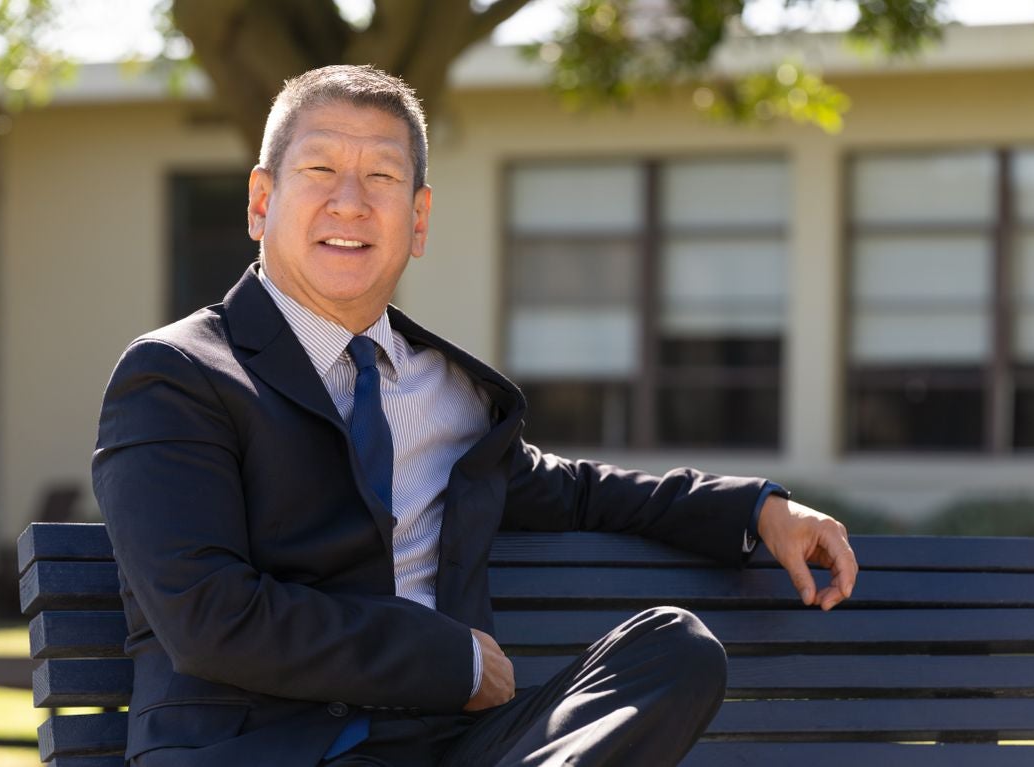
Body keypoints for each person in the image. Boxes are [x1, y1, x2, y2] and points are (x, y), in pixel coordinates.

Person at [93, 64, 858, 767]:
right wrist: (450, 660)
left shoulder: (450, 396)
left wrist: (759, 507)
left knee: (676, 647)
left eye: (382, 177)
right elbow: (208, 615)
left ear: (418, 219)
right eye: (321, 169)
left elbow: (583, 490)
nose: (350, 201)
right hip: (269, 751)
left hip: (455, 750)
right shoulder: (179, 376)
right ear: (263, 201)